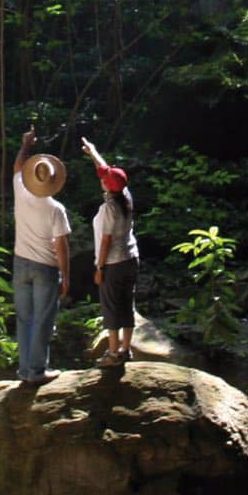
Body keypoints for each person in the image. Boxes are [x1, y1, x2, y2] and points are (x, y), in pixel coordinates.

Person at [11, 127, 70, 386]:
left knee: (24, 319)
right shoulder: (56, 209)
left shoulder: (20, 191)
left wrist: (26, 144)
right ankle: (36, 371)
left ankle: (25, 370)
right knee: (43, 320)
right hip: (46, 267)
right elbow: (61, 246)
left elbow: (17, 168)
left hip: (20, 263)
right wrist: (66, 275)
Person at [81, 135, 139, 366]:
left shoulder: (108, 210)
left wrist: (99, 268)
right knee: (127, 303)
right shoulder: (126, 196)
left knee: (112, 307)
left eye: (104, 179)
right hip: (131, 259)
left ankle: (113, 354)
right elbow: (107, 172)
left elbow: (105, 242)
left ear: (106, 185)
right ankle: (126, 349)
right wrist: (93, 151)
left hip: (113, 264)